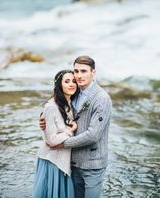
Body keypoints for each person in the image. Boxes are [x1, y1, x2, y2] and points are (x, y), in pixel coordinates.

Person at [40, 55, 112, 198]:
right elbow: (58, 99)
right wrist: (43, 115)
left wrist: (62, 144)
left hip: (92, 163)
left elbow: (93, 135)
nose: (79, 76)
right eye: (76, 71)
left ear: (93, 72)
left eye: (83, 71)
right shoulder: (75, 91)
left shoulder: (102, 98)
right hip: (73, 161)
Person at [33, 70, 78, 198]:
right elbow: (51, 140)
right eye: (67, 81)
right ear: (59, 85)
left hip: (63, 160)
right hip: (53, 161)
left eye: (74, 81)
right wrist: (71, 130)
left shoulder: (69, 102)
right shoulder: (51, 107)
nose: (71, 84)